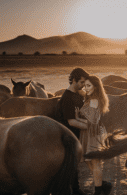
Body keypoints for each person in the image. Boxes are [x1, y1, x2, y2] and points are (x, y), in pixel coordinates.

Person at [74, 75, 112, 195]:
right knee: (88, 160)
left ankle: (99, 190)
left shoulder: (94, 100)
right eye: (85, 85)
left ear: (96, 87)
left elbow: (93, 121)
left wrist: (76, 118)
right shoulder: (90, 98)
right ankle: (103, 184)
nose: (86, 88)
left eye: (89, 85)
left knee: (94, 162)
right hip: (88, 132)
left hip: (93, 133)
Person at [54, 67, 89, 195]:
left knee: (74, 165)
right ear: (74, 80)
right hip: (68, 136)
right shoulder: (68, 98)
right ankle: (75, 190)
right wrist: (90, 127)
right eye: (81, 83)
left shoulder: (77, 94)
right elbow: (71, 122)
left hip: (75, 134)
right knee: (71, 165)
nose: (83, 86)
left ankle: (74, 189)